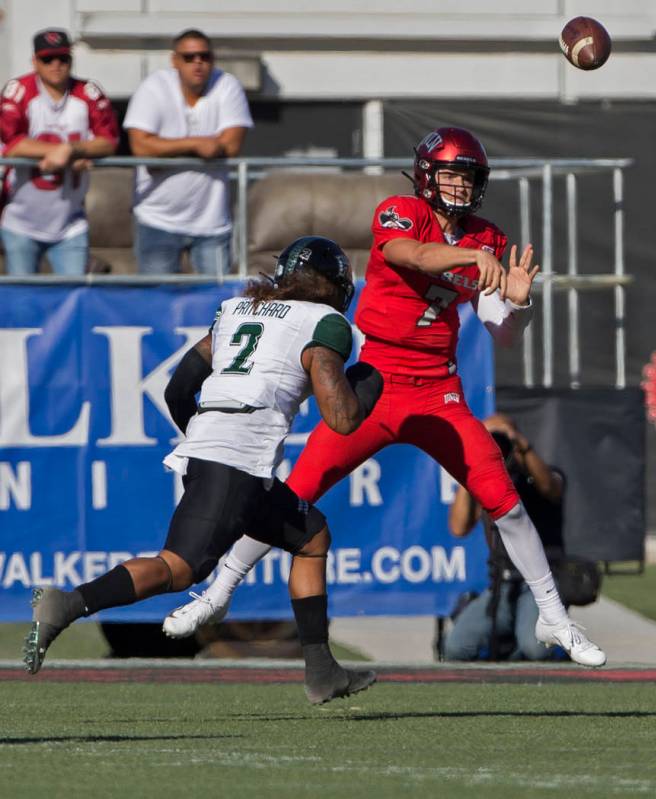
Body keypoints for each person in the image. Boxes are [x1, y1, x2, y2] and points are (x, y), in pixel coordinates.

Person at [164, 127, 606, 668]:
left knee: (504, 497)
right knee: (295, 489)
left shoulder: (485, 238)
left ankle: (554, 617)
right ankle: (216, 593)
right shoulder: (402, 212)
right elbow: (411, 253)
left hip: (437, 389)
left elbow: (500, 329)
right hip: (375, 381)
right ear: (425, 176)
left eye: (468, 177)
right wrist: (467, 258)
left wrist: (516, 302)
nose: (460, 187)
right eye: (449, 174)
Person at [23, 235, 382, 705]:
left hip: (220, 455)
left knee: (311, 536)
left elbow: (178, 389)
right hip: (236, 460)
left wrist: (206, 436)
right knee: (180, 567)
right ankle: (67, 604)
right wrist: (368, 383)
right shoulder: (324, 322)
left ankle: (322, 671)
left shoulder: (236, 310)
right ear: (335, 287)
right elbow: (342, 419)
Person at [123, 28, 253, 276]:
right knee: (158, 303)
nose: (198, 63)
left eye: (205, 57)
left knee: (219, 306)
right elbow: (141, 148)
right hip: (156, 218)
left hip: (212, 223)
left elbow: (231, 146)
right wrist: (196, 144)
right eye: (189, 57)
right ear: (175, 61)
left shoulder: (227, 85)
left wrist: (163, 150)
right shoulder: (153, 87)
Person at [443, 414, 566, 661]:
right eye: (489, 441)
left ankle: (563, 649)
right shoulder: (485, 484)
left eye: (500, 441)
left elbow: (551, 488)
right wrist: (473, 464)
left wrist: (520, 444)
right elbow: (458, 528)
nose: (496, 448)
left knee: (534, 648)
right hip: (501, 582)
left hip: (539, 584)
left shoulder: (538, 476)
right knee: (456, 647)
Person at [0, 28, 119, 275]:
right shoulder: (19, 91)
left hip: (70, 223)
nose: (56, 65)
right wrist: (60, 154)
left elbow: (109, 140)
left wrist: (70, 149)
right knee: (24, 301)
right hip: (21, 221)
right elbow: (10, 143)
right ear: (35, 61)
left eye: (62, 58)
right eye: (47, 59)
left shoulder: (87, 93)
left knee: (72, 299)